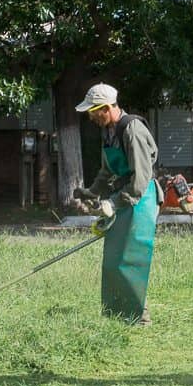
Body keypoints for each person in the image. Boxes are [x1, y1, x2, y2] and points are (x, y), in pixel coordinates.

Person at [74, 83, 164, 326]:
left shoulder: (131, 129)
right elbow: (106, 172)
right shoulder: (108, 131)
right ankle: (116, 314)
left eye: (93, 111)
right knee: (114, 259)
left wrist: (113, 203)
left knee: (131, 258)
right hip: (124, 197)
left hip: (141, 199)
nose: (91, 117)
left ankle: (139, 317)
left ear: (105, 108)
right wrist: (91, 194)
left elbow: (141, 180)